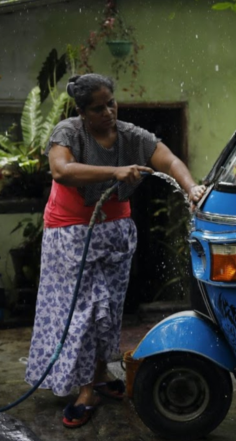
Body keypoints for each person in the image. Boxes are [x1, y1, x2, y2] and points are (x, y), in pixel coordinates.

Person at [24, 73, 206, 428]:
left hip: (115, 232)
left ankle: (100, 377)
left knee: (106, 310)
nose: (108, 111)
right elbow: (61, 170)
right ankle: (86, 389)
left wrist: (192, 188)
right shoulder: (68, 133)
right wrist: (115, 170)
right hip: (71, 233)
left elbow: (168, 160)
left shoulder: (130, 135)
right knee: (83, 312)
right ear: (81, 111)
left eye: (111, 103)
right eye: (97, 108)